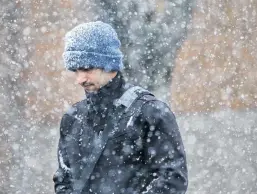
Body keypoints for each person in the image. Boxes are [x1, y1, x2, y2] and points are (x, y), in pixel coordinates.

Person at [53, 21, 188, 194]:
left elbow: (172, 180)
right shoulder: (72, 118)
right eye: (75, 71)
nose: (80, 79)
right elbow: (64, 179)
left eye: (86, 68)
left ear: (109, 64)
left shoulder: (150, 112)